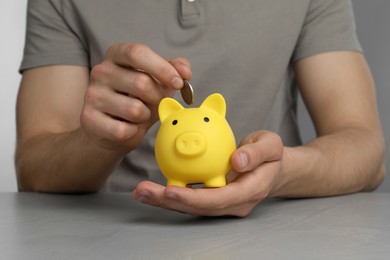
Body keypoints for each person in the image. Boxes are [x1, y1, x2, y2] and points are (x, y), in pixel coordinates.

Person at [16, 0, 385, 217]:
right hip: (113, 227)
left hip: (273, 227)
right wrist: (102, 140)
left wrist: (283, 172)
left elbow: (367, 152)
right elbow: (33, 170)